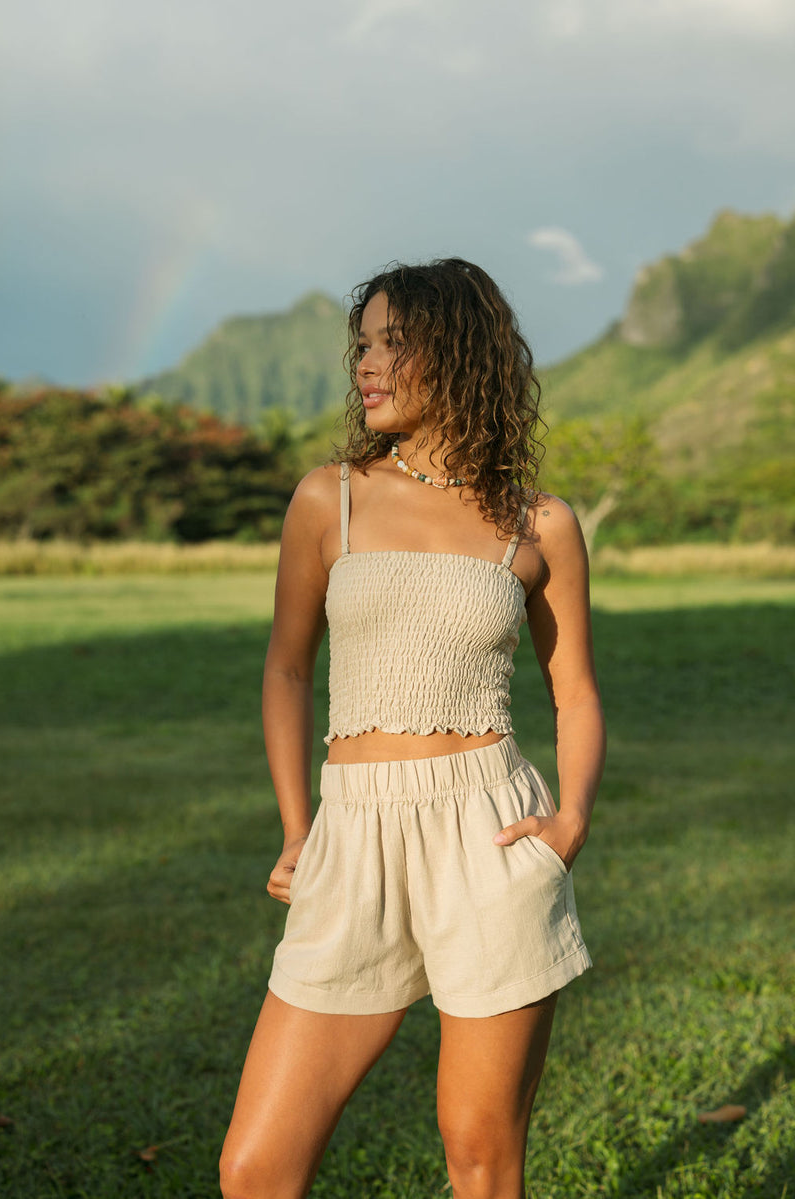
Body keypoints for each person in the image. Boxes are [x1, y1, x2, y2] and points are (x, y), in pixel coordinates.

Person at [220, 258, 606, 1199]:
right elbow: (285, 666)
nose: (369, 363)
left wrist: (569, 824)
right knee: (254, 1169)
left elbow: (577, 692)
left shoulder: (537, 520)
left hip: (489, 833)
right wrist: (296, 827)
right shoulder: (330, 497)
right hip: (353, 833)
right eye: (364, 343)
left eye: (396, 342)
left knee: (480, 1159)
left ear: (462, 354)